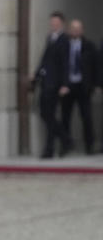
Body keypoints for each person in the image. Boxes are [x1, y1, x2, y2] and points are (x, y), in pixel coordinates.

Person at [32, 11, 68, 158]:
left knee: (50, 115)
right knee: (46, 114)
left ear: (61, 24)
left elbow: (66, 64)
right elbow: (45, 60)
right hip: (46, 83)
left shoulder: (64, 40)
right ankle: (65, 139)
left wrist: (65, 84)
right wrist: (36, 75)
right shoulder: (50, 38)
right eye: (52, 22)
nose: (53, 25)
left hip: (56, 84)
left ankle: (50, 148)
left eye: (56, 23)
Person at [58, 19, 97, 155]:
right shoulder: (63, 45)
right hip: (67, 86)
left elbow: (95, 67)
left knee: (86, 117)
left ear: (82, 30)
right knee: (65, 117)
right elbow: (59, 65)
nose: (75, 31)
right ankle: (65, 145)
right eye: (73, 28)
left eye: (78, 28)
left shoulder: (89, 46)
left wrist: (94, 85)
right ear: (69, 30)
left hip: (83, 86)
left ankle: (89, 145)